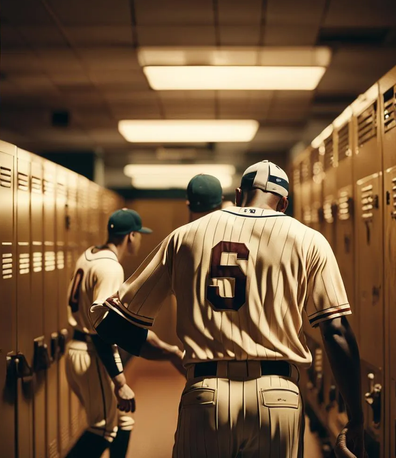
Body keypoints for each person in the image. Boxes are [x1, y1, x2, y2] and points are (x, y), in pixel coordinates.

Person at [90, 161, 366, 458]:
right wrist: (356, 419)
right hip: (279, 395)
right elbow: (335, 332)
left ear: (238, 194)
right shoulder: (310, 240)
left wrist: (168, 352)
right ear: (284, 203)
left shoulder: (185, 236)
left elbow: (111, 323)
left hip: (206, 393)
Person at [66, 208, 183, 458]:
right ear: (130, 236)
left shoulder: (89, 255)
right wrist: (120, 382)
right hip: (92, 353)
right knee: (103, 430)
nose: (139, 239)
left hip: (77, 349)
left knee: (123, 422)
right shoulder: (111, 268)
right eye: (139, 234)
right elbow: (103, 328)